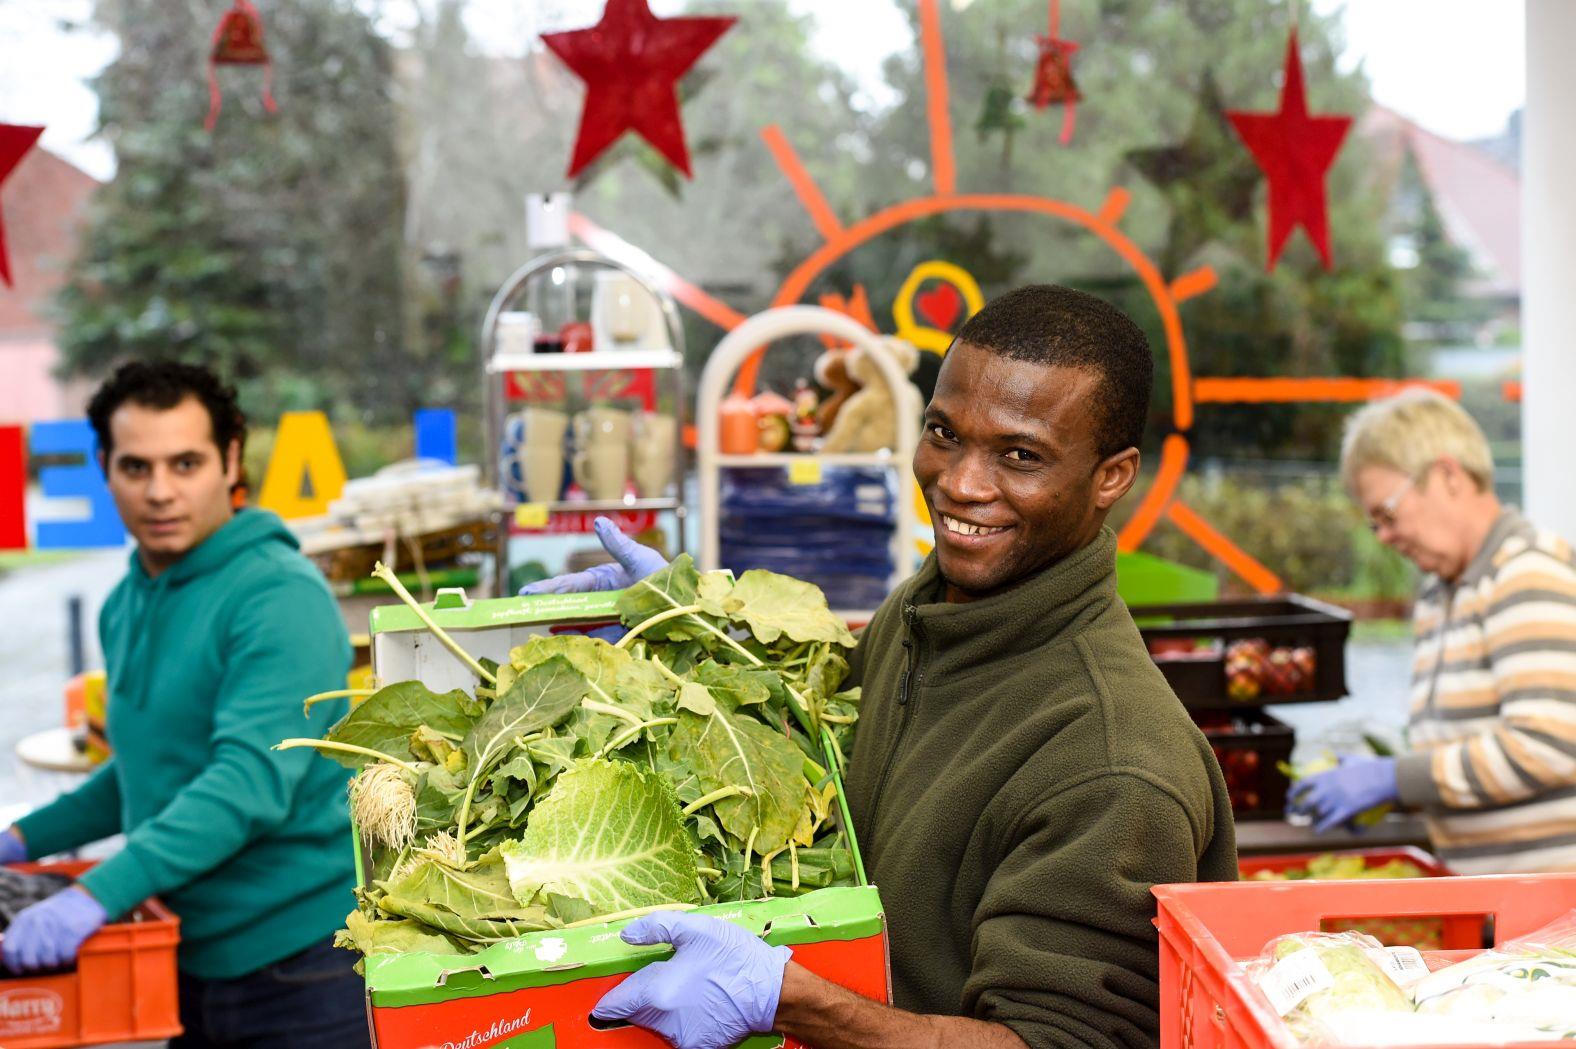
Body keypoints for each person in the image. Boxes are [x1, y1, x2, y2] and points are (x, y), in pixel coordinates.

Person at [523, 285, 1238, 1049]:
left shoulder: (1113, 764)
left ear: (1112, 477)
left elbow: (1060, 1044)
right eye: (944, 431)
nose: (961, 482)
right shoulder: (935, 605)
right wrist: (683, 622)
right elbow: (828, 719)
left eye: (1019, 455)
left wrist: (792, 1002)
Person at [0, 361, 368, 1048]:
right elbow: (147, 768)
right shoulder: (127, 599)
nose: (161, 491)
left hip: (306, 973)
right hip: (190, 959)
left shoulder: (277, 596)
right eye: (136, 467)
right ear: (105, 469)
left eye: (186, 462)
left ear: (230, 460)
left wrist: (96, 893)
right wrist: (21, 840)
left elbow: (246, 783)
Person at [1290, 389, 1576, 874]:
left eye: (1388, 513)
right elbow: (1469, 750)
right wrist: (1397, 789)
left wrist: (1397, 779)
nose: (1383, 536)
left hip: (1554, 919)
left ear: (1447, 475)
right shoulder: (1440, 594)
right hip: (1498, 908)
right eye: (1373, 522)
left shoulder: (1524, 574)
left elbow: (1550, 743)